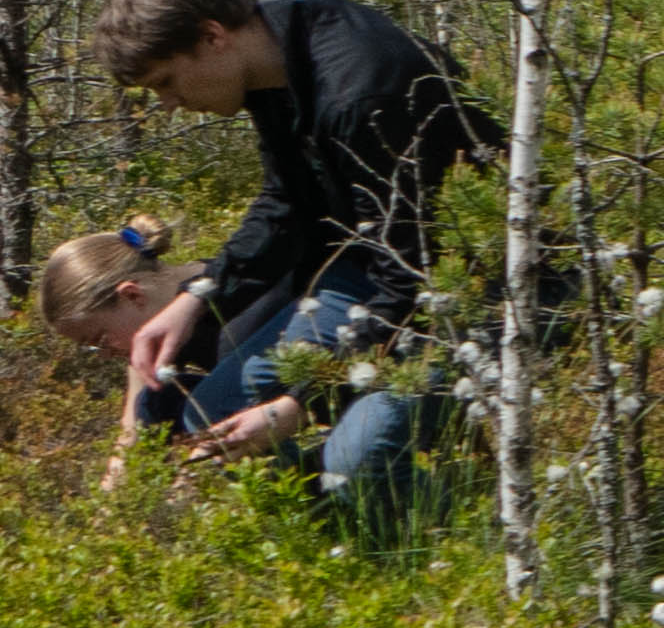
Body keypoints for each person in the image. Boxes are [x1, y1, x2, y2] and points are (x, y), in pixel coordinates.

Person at [87, 0, 500, 536]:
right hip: (378, 265)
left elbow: (415, 281)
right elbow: (288, 205)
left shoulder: (361, 92)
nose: (170, 105)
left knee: (358, 463)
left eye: (166, 82)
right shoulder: (272, 51)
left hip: (474, 289)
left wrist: (297, 405)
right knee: (212, 415)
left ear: (212, 37)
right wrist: (197, 297)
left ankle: (470, 538)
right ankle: (334, 527)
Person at [37, 208, 441, 519]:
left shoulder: (252, 290)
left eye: (97, 340)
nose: (104, 353)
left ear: (132, 296)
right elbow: (137, 433)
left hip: (376, 376)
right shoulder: (158, 352)